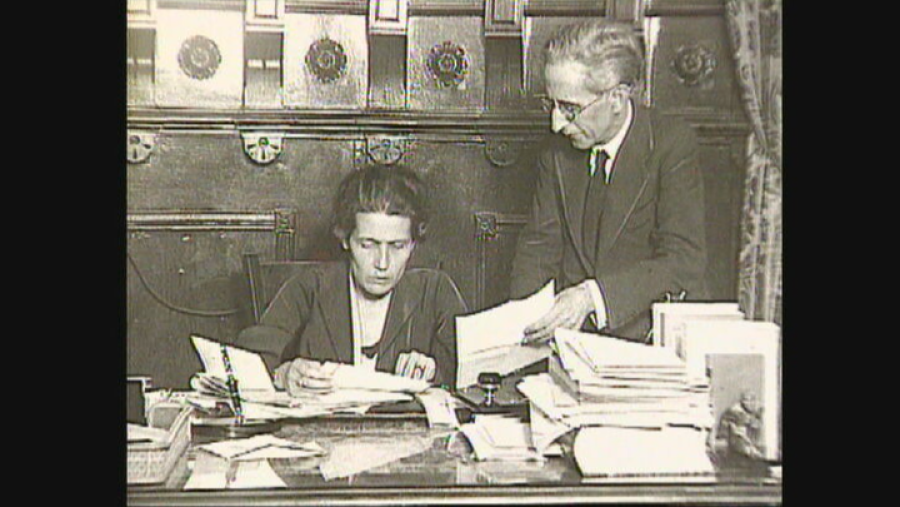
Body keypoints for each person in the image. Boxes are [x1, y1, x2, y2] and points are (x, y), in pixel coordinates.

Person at [512, 20, 707, 344]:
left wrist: (592, 296)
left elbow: (682, 261)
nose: (556, 123)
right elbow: (538, 248)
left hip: (646, 344)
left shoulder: (671, 144)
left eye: (570, 108)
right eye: (551, 104)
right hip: (569, 347)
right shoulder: (557, 153)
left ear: (617, 98)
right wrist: (521, 326)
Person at [238, 165, 467, 394]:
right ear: (346, 240)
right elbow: (246, 361)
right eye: (368, 245)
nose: (383, 263)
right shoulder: (310, 288)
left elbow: (470, 374)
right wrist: (283, 373)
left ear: (413, 243)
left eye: (398, 246)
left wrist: (434, 371)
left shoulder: (436, 292)